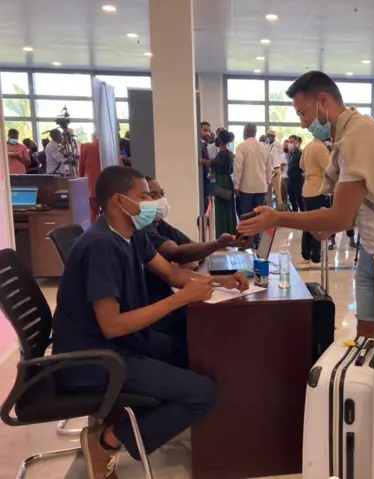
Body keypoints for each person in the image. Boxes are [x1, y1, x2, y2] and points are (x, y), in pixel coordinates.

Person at [51, 166, 249, 478]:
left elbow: (172, 274)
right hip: (94, 359)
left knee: (199, 352)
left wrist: (218, 281)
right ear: (118, 201)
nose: (152, 203)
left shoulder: (132, 235)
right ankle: (106, 441)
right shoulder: (101, 245)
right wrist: (180, 298)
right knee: (201, 393)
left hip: (121, 345)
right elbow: (112, 325)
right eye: (144, 196)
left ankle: (162, 423)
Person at [238, 71, 374, 338]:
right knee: (366, 334)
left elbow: (340, 218)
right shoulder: (347, 136)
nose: (304, 124)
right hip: (372, 251)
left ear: (323, 100)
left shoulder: (359, 137)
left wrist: (277, 218)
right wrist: (326, 223)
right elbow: (362, 203)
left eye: (303, 113)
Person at [142, 176, 248, 341]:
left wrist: (222, 279)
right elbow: (178, 255)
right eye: (146, 196)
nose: (158, 200)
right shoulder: (134, 233)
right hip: (152, 322)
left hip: (164, 310)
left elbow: (173, 271)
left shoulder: (155, 226)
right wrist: (214, 245)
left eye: (160, 194)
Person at [234, 123, 272, 246]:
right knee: (258, 215)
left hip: (246, 187)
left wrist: (236, 185)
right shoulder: (264, 148)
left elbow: (238, 167)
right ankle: (257, 239)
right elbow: (269, 169)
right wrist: (267, 182)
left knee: (246, 215)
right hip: (261, 187)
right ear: (255, 132)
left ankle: (246, 241)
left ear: (245, 132)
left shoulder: (242, 147)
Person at [300, 138, 331, 266]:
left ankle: (305, 254)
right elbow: (330, 168)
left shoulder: (308, 146)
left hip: (307, 188)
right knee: (318, 223)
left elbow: (301, 165)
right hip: (317, 189)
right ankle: (315, 257)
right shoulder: (320, 147)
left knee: (308, 222)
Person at [211, 130, 238, 237]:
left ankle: (223, 234)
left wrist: (204, 161)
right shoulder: (230, 153)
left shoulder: (223, 154)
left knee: (221, 210)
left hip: (221, 182)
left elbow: (214, 164)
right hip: (227, 182)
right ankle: (229, 231)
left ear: (221, 139)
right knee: (228, 209)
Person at [79, 134, 102, 222]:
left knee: (92, 214)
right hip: (110, 187)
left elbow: (81, 169)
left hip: (91, 186)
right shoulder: (113, 147)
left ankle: (92, 233)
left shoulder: (86, 147)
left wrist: (81, 186)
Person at [266, 130, 286, 207]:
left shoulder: (278, 145)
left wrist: (282, 165)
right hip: (268, 171)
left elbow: (283, 154)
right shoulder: (267, 145)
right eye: (267, 136)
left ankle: (280, 209)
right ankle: (270, 208)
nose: (268, 137)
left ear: (273, 137)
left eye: (269, 136)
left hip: (276, 169)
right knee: (268, 192)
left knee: (278, 192)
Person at [287, 135, 305, 212]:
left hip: (297, 179)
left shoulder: (299, 153)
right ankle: (294, 213)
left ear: (296, 142)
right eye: (289, 142)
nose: (289, 144)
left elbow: (303, 166)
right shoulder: (291, 153)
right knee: (291, 198)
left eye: (291, 142)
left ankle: (303, 215)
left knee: (299, 198)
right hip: (290, 179)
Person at [199, 121, 214, 212]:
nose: (208, 133)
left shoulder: (204, 144)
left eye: (209, 131)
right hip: (204, 180)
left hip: (209, 179)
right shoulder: (199, 145)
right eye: (205, 130)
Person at [280, 138, 290, 208]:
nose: (284, 147)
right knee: (283, 197)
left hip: (287, 178)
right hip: (283, 177)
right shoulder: (284, 155)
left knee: (286, 196)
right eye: (284, 146)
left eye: (286, 146)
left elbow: (281, 167)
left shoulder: (288, 155)